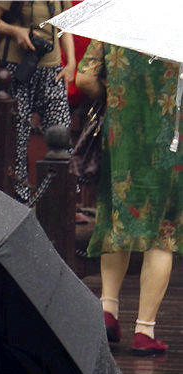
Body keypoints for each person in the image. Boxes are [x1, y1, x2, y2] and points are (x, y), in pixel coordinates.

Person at [76, 41, 181, 356]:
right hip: (171, 138)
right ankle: (144, 331)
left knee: (116, 219)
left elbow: (84, 78)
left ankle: (108, 311)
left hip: (121, 135)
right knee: (163, 233)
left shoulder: (119, 18)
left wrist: (120, 97)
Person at [0, 1, 76, 204]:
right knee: (18, 137)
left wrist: (71, 63)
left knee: (61, 134)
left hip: (52, 69)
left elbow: (66, 24)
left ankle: (63, 200)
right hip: (17, 68)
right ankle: (18, 200)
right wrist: (16, 31)